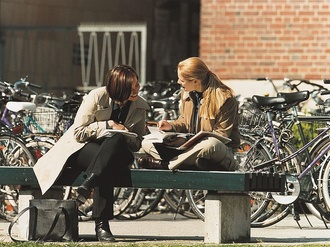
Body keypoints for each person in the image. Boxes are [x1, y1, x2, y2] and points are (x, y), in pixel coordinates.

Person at [33, 64, 149, 242]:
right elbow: (78, 132)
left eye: (137, 83)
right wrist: (107, 125)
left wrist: (125, 133)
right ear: (119, 87)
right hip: (84, 148)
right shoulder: (97, 96)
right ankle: (102, 226)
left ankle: (89, 182)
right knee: (107, 164)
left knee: (115, 144)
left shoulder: (140, 105)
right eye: (132, 85)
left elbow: (137, 143)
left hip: (119, 153)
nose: (138, 88)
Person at [140, 57, 240, 171]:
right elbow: (184, 121)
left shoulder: (224, 99)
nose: (178, 82)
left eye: (182, 80)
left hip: (218, 150)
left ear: (195, 81)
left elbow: (221, 136)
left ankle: (168, 165)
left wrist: (187, 140)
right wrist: (171, 126)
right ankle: (186, 162)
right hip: (190, 148)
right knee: (147, 142)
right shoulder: (186, 93)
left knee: (211, 144)